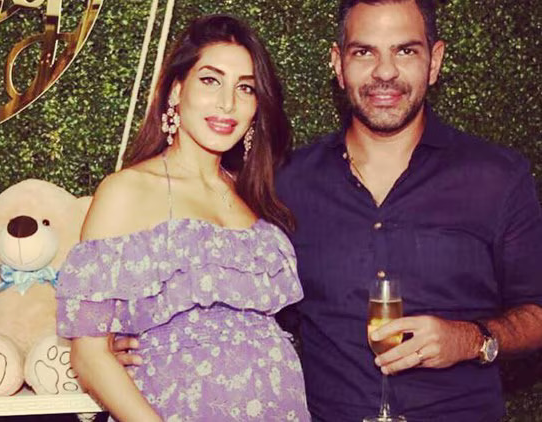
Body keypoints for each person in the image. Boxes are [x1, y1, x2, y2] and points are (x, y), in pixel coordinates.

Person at [275, 0, 542, 420]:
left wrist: (472, 339)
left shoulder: (497, 176)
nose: (385, 72)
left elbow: (537, 311)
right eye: (364, 51)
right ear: (338, 64)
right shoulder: (287, 182)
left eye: (405, 50)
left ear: (434, 61)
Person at [55, 15, 310, 422]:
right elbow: (89, 356)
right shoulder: (127, 191)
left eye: (245, 87)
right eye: (210, 80)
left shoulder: (255, 196)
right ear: (176, 89)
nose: (228, 103)